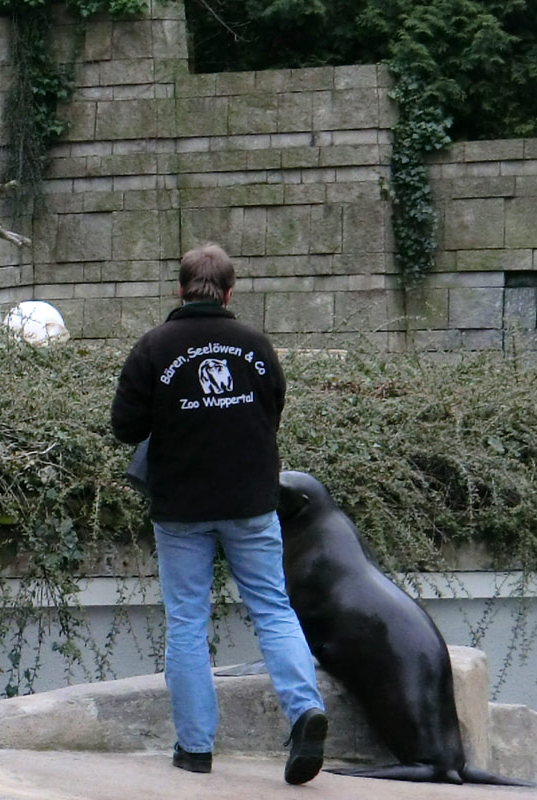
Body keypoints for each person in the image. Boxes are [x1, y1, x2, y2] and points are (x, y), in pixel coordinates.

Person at [110, 243, 327, 784]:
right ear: (230, 293)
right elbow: (271, 411)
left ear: (181, 290)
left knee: (187, 621)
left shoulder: (155, 347)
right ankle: (304, 712)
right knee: (273, 609)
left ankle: (196, 748)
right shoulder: (255, 344)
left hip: (180, 508)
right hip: (251, 503)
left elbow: (124, 427)